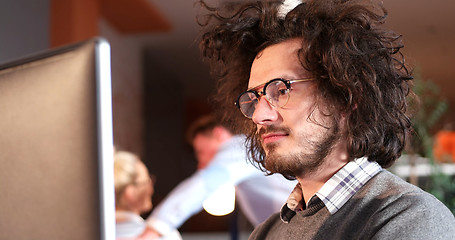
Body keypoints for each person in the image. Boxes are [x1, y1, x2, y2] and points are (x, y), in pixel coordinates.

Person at [197, 0, 455, 239]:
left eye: (282, 90)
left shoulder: (408, 218)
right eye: (254, 98)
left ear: (346, 96)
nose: (260, 116)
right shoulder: (267, 232)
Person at [144, 115, 296, 237]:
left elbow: (205, 182)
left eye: (201, 152)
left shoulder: (237, 148)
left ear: (218, 134)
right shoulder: (247, 156)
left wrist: (156, 227)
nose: (201, 163)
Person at [114, 150, 182, 240]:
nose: (151, 189)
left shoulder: (95, 234)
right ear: (130, 193)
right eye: (147, 182)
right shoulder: (164, 235)